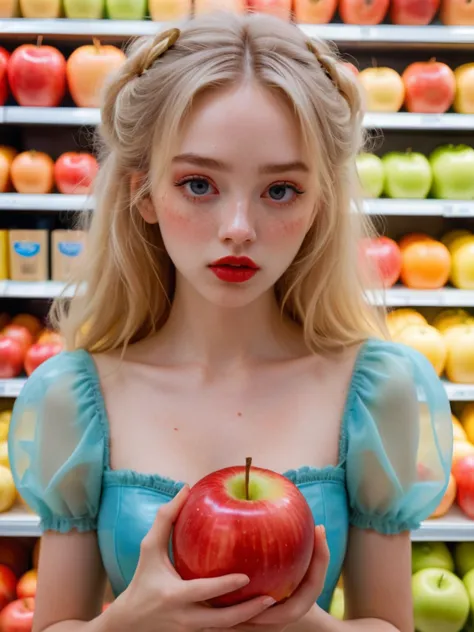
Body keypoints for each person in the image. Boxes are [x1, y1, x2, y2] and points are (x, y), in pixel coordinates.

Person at [8, 10, 452, 632]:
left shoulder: (378, 394)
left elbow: (391, 624)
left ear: (319, 202)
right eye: (198, 183)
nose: (238, 228)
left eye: (279, 191)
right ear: (143, 193)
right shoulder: (75, 400)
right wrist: (124, 625)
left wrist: (307, 627)